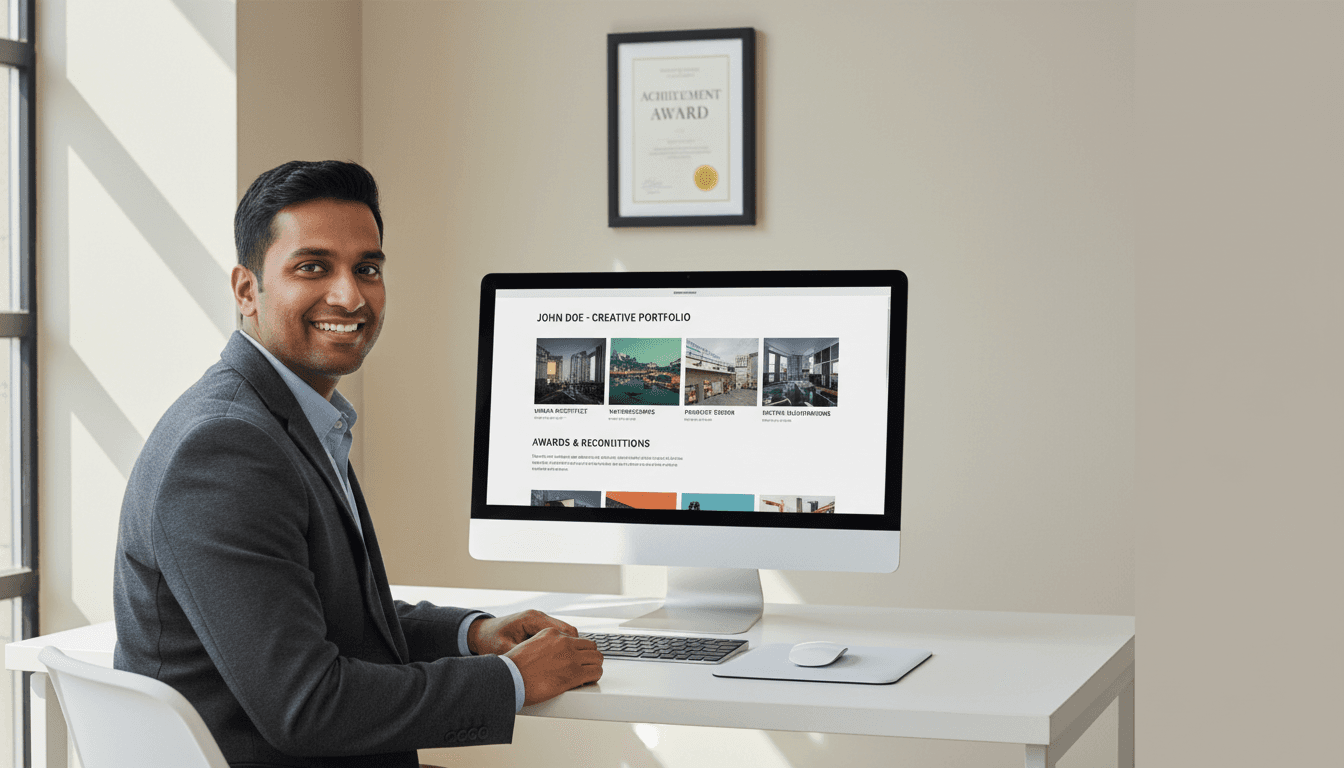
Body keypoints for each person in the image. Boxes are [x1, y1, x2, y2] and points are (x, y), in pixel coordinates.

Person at [113, 160, 603, 768]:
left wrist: (472, 634)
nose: (349, 295)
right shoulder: (225, 448)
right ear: (247, 290)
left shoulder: (284, 418)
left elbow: (323, 614)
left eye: (366, 269)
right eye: (312, 267)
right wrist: (512, 681)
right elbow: (308, 705)